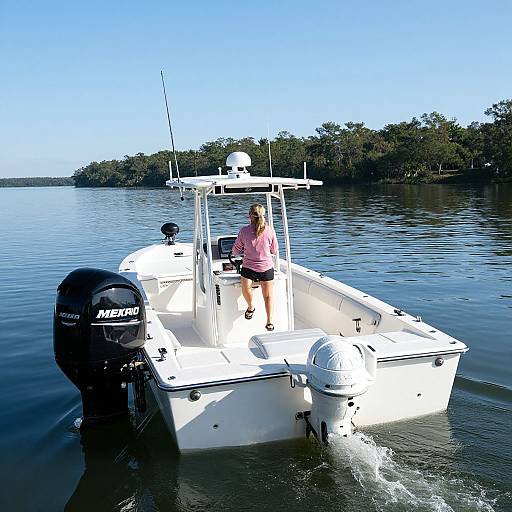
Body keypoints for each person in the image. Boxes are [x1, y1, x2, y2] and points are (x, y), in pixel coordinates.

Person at [232, 203, 278, 331]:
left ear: (249, 216)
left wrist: (234, 253)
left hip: (250, 267)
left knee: (245, 288)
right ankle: (268, 321)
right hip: (266, 267)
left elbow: (236, 249)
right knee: (268, 296)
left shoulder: (244, 231)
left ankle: (252, 307)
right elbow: (274, 250)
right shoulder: (270, 230)